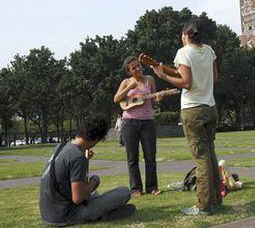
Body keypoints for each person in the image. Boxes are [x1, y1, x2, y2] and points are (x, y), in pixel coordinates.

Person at [151, 18, 222, 216]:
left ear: (185, 35)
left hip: (192, 109)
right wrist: (167, 69)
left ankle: (203, 206)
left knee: (201, 158)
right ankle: (216, 199)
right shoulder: (209, 50)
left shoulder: (183, 52)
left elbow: (186, 82)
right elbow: (213, 78)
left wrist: (162, 76)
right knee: (211, 154)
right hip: (210, 107)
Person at [39, 115, 135, 226]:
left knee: (94, 194)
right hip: (67, 215)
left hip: (49, 213)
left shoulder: (62, 146)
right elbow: (78, 198)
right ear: (96, 139)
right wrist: (95, 182)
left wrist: (86, 161)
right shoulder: (77, 157)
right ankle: (102, 214)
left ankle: (102, 213)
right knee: (124, 192)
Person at [114, 56, 161, 197]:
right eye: (133, 68)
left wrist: (158, 100)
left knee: (150, 156)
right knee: (132, 158)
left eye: (139, 66)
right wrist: (130, 87)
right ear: (129, 71)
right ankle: (136, 189)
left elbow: (153, 103)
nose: (137, 69)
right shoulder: (126, 82)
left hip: (147, 122)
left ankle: (152, 187)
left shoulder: (150, 80)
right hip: (129, 123)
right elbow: (116, 99)